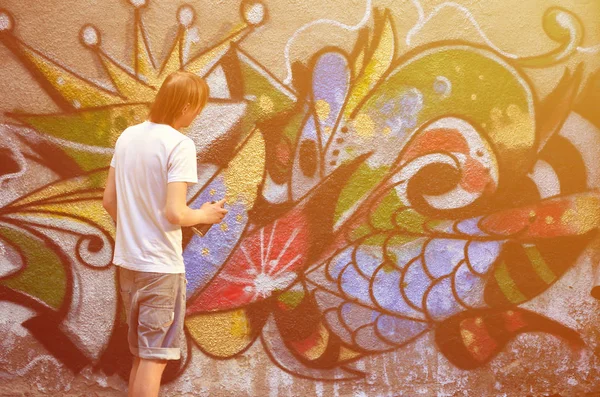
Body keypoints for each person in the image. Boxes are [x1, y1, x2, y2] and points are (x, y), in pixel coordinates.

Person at [102, 71, 228, 397]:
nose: (197, 114)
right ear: (185, 105)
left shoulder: (127, 137)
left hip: (128, 263)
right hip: (161, 267)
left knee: (142, 356)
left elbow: (109, 200)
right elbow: (176, 212)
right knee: (154, 358)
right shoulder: (180, 144)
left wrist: (135, 229)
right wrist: (206, 214)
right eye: (197, 107)